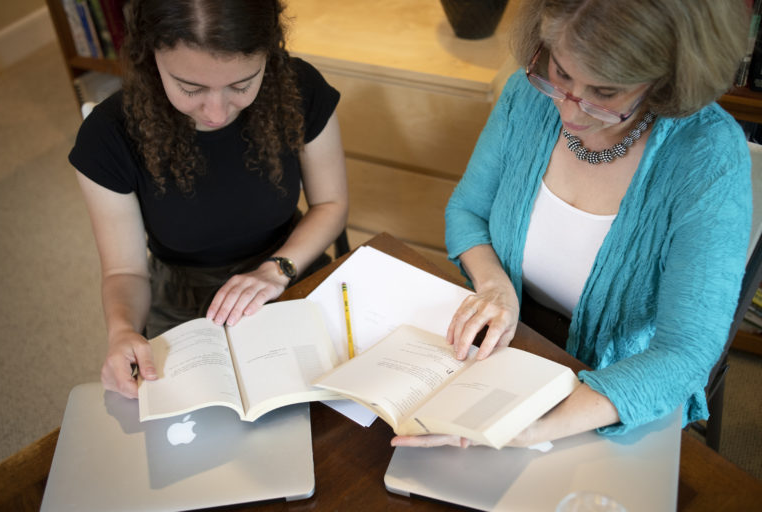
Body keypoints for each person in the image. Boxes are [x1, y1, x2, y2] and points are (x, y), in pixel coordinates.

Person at [393, 0, 752, 448]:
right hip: (511, 346)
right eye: (560, 74)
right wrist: (493, 286)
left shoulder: (708, 156)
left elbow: (686, 353)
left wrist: (533, 428)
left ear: (667, 79)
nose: (570, 111)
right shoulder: (525, 96)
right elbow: (466, 212)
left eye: (604, 93)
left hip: (614, 389)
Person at [70, 0, 348, 399]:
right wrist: (121, 332)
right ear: (151, 54)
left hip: (292, 266)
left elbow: (331, 204)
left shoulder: (298, 88)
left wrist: (276, 269)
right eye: (190, 88)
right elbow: (125, 273)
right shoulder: (109, 137)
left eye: (241, 84)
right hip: (184, 299)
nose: (216, 113)